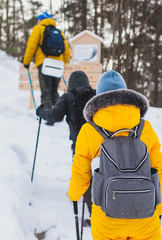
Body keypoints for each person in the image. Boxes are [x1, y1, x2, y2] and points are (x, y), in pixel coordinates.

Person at [67, 70, 162, 239]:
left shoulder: (89, 131)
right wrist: (159, 208)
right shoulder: (145, 129)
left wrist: (74, 195)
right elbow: (158, 172)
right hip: (145, 216)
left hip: (106, 217)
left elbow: (80, 173)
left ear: (98, 97)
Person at [36, 71, 96, 218]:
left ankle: (91, 210)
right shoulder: (96, 95)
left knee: (82, 172)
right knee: (98, 173)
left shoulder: (68, 97)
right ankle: (102, 209)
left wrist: (41, 111)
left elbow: (54, 116)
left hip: (79, 144)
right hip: (99, 141)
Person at [23, 12, 71, 109]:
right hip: (58, 65)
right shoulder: (59, 31)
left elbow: (31, 46)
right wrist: (63, 63)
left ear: (40, 20)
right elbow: (67, 51)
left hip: (45, 64)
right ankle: (58, 115)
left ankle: (49, 118)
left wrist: (26, 62)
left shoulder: (39, 29)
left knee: (46, 91)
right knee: (54, 91)